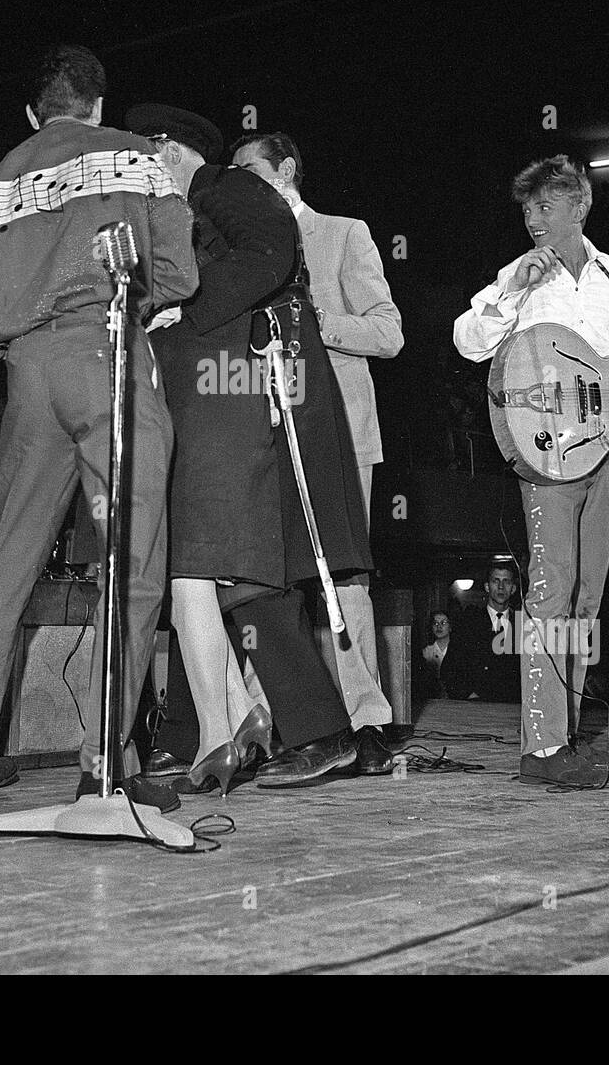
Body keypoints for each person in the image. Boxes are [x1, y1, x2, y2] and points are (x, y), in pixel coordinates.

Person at [0, 46, 198, 806]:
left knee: (7, 554)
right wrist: (135, 304)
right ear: (99, 106)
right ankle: (106, 757)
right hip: (108, 355)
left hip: (28, 375)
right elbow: (181, 275)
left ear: (31, 113)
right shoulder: (136, 158)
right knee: (133, 559)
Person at [127, 103, 359, 791]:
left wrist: (182, 307)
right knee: (232, 571)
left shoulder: (224, 186)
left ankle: (290, 730)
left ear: (171, 150)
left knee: (236, 564)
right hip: (217, 395)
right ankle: (248, 722)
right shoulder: (188, 211)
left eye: (147, 156)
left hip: (241, 395)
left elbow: (271, 252)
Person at [454, 154, 609, 789]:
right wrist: (509, 289)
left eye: (545, 206)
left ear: (579, 208)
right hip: (546, 456)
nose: (533, 218)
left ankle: (568, 737)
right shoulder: (518, 277)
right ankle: (541, 749)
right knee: (550, 591)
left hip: (607, 452)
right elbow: (467, 339)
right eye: (527, 208)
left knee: (586, 599)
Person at [230, 131, 401, 774]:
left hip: (342, 431)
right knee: (265, 582)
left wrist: (310, 323)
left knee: (346, 576)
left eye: (250, 169)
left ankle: (367, 720)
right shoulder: (241, 248)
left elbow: (389, 332)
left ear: (288, 170)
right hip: (268, 434)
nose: (239, 182)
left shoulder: (343, 233)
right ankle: (266, 723)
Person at [454, 561, 523, 702]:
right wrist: (468, 694)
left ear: (513, 588)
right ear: (487, 586)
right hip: (478, 706)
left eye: (507, 582)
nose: (501, 587)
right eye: (495, 581)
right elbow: (452, 666)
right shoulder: (468, 622)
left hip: (513, 705)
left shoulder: (522, 624)